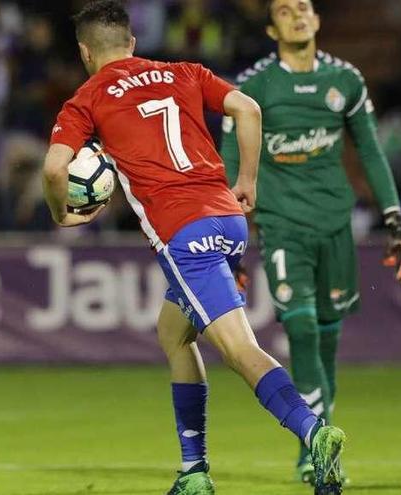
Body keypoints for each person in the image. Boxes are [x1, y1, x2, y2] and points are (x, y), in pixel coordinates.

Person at [41, 1, 345, 494]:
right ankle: (194, 472)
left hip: (186, 235)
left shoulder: (88, 98)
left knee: (240, 349)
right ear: (132, 43)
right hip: (226, 216)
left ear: (84, 53)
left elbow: (56, 169)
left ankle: (314, 433)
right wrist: (247, 181)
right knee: (174, 335)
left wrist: (61, 212)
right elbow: (248, 108)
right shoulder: (182, 71)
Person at [219, 0, 401, 485]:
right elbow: (230, 160)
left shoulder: (345, 81)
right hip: (283, 225)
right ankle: (315, 445)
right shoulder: (256, 87)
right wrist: (232, 238)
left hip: (335, 224)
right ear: (272, 28)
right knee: (301, 327)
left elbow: (369, 148)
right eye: (286, 10)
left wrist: (394, 216)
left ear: (318, 20)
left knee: (327, 338)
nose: (298, 15)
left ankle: (317, 437)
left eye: (304, 7)